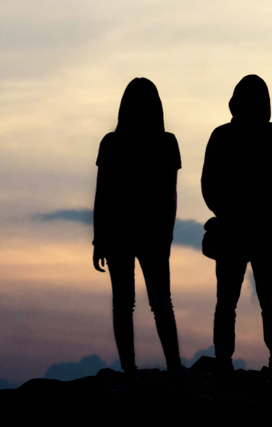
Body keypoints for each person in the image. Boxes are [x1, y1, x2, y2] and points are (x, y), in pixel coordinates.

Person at [201, 75, 272, 372]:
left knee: (265, 303)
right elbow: (210, 186)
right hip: (245, 232)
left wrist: (266, 216)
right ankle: (226, 362)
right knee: (236, 303)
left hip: (262, 232)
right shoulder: (225, 137)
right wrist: (243, 216)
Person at [92, 78, 184, 373]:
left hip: (148, 235)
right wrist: (99, 239)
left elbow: (169, 195)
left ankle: (166, 367)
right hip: (128, 235)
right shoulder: (114, 144)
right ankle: (145, 368)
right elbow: (103, 194)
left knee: (144, 304)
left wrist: (165, 236)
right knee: (144, 303)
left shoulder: (163, 143)